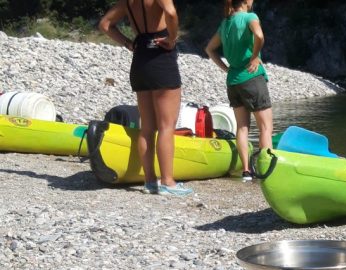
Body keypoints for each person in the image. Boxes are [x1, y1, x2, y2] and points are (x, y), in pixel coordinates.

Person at [99, 0, 193, 196]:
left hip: (140, 57)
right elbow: (171, 13)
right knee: (167, 126)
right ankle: (167, 181)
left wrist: (126, 42)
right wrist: (173, 38)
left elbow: (105, 24)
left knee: (147, 127)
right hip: (160, 55)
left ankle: (150, 181)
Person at [205, 0, 273, 182]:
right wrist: (255, 57)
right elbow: (259, 36)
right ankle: (265, 170)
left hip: (233, 81)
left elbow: (209, 49)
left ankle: (246, 171)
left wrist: (226, 69)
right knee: (265, 127)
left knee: (242, 128)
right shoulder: (250, 17)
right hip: (252, 78)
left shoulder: (225, 22)